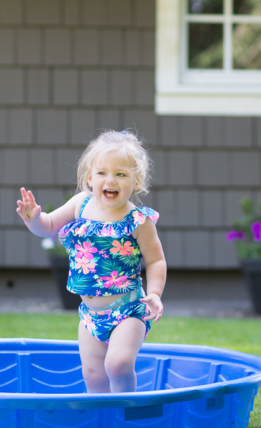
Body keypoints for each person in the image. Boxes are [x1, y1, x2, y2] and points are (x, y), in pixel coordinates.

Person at [16, 129, 166, 394]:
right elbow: (48, 226)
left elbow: (156, 261)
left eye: (121, 174)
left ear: (137, 181)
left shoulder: (138, 221)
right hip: (90, 315)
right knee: (93, 375)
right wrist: (33, 218)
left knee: (118, 364)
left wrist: (154, 293)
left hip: (128, 308)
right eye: (102, 173)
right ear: (89, 178)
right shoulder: (80, 205)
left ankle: (125, 415)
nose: (111, 180)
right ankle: (102, 425)